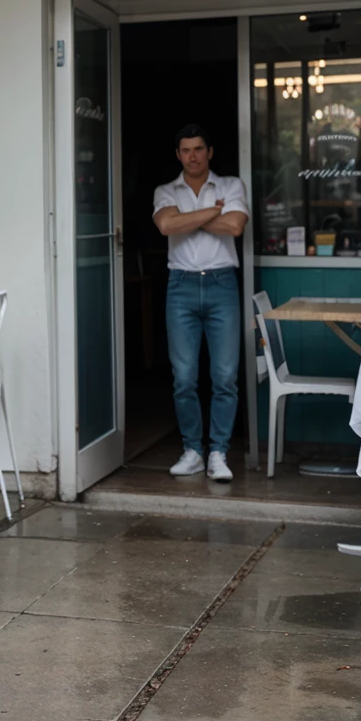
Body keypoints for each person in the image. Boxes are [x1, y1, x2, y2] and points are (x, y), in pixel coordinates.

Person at [152, 124, 248, 483]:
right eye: (185, 150)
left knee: (225, 376)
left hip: (222, 284)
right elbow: (166, 226)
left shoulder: (231, 186)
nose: (192, 156)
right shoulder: (166, 190)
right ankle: (193, 450)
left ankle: (218, 452)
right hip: (181, 287)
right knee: (184, 377)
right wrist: (212, 213)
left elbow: (235, 227)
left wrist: (186, 220)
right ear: (178, 155)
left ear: (210, 152)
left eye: (198, 149)